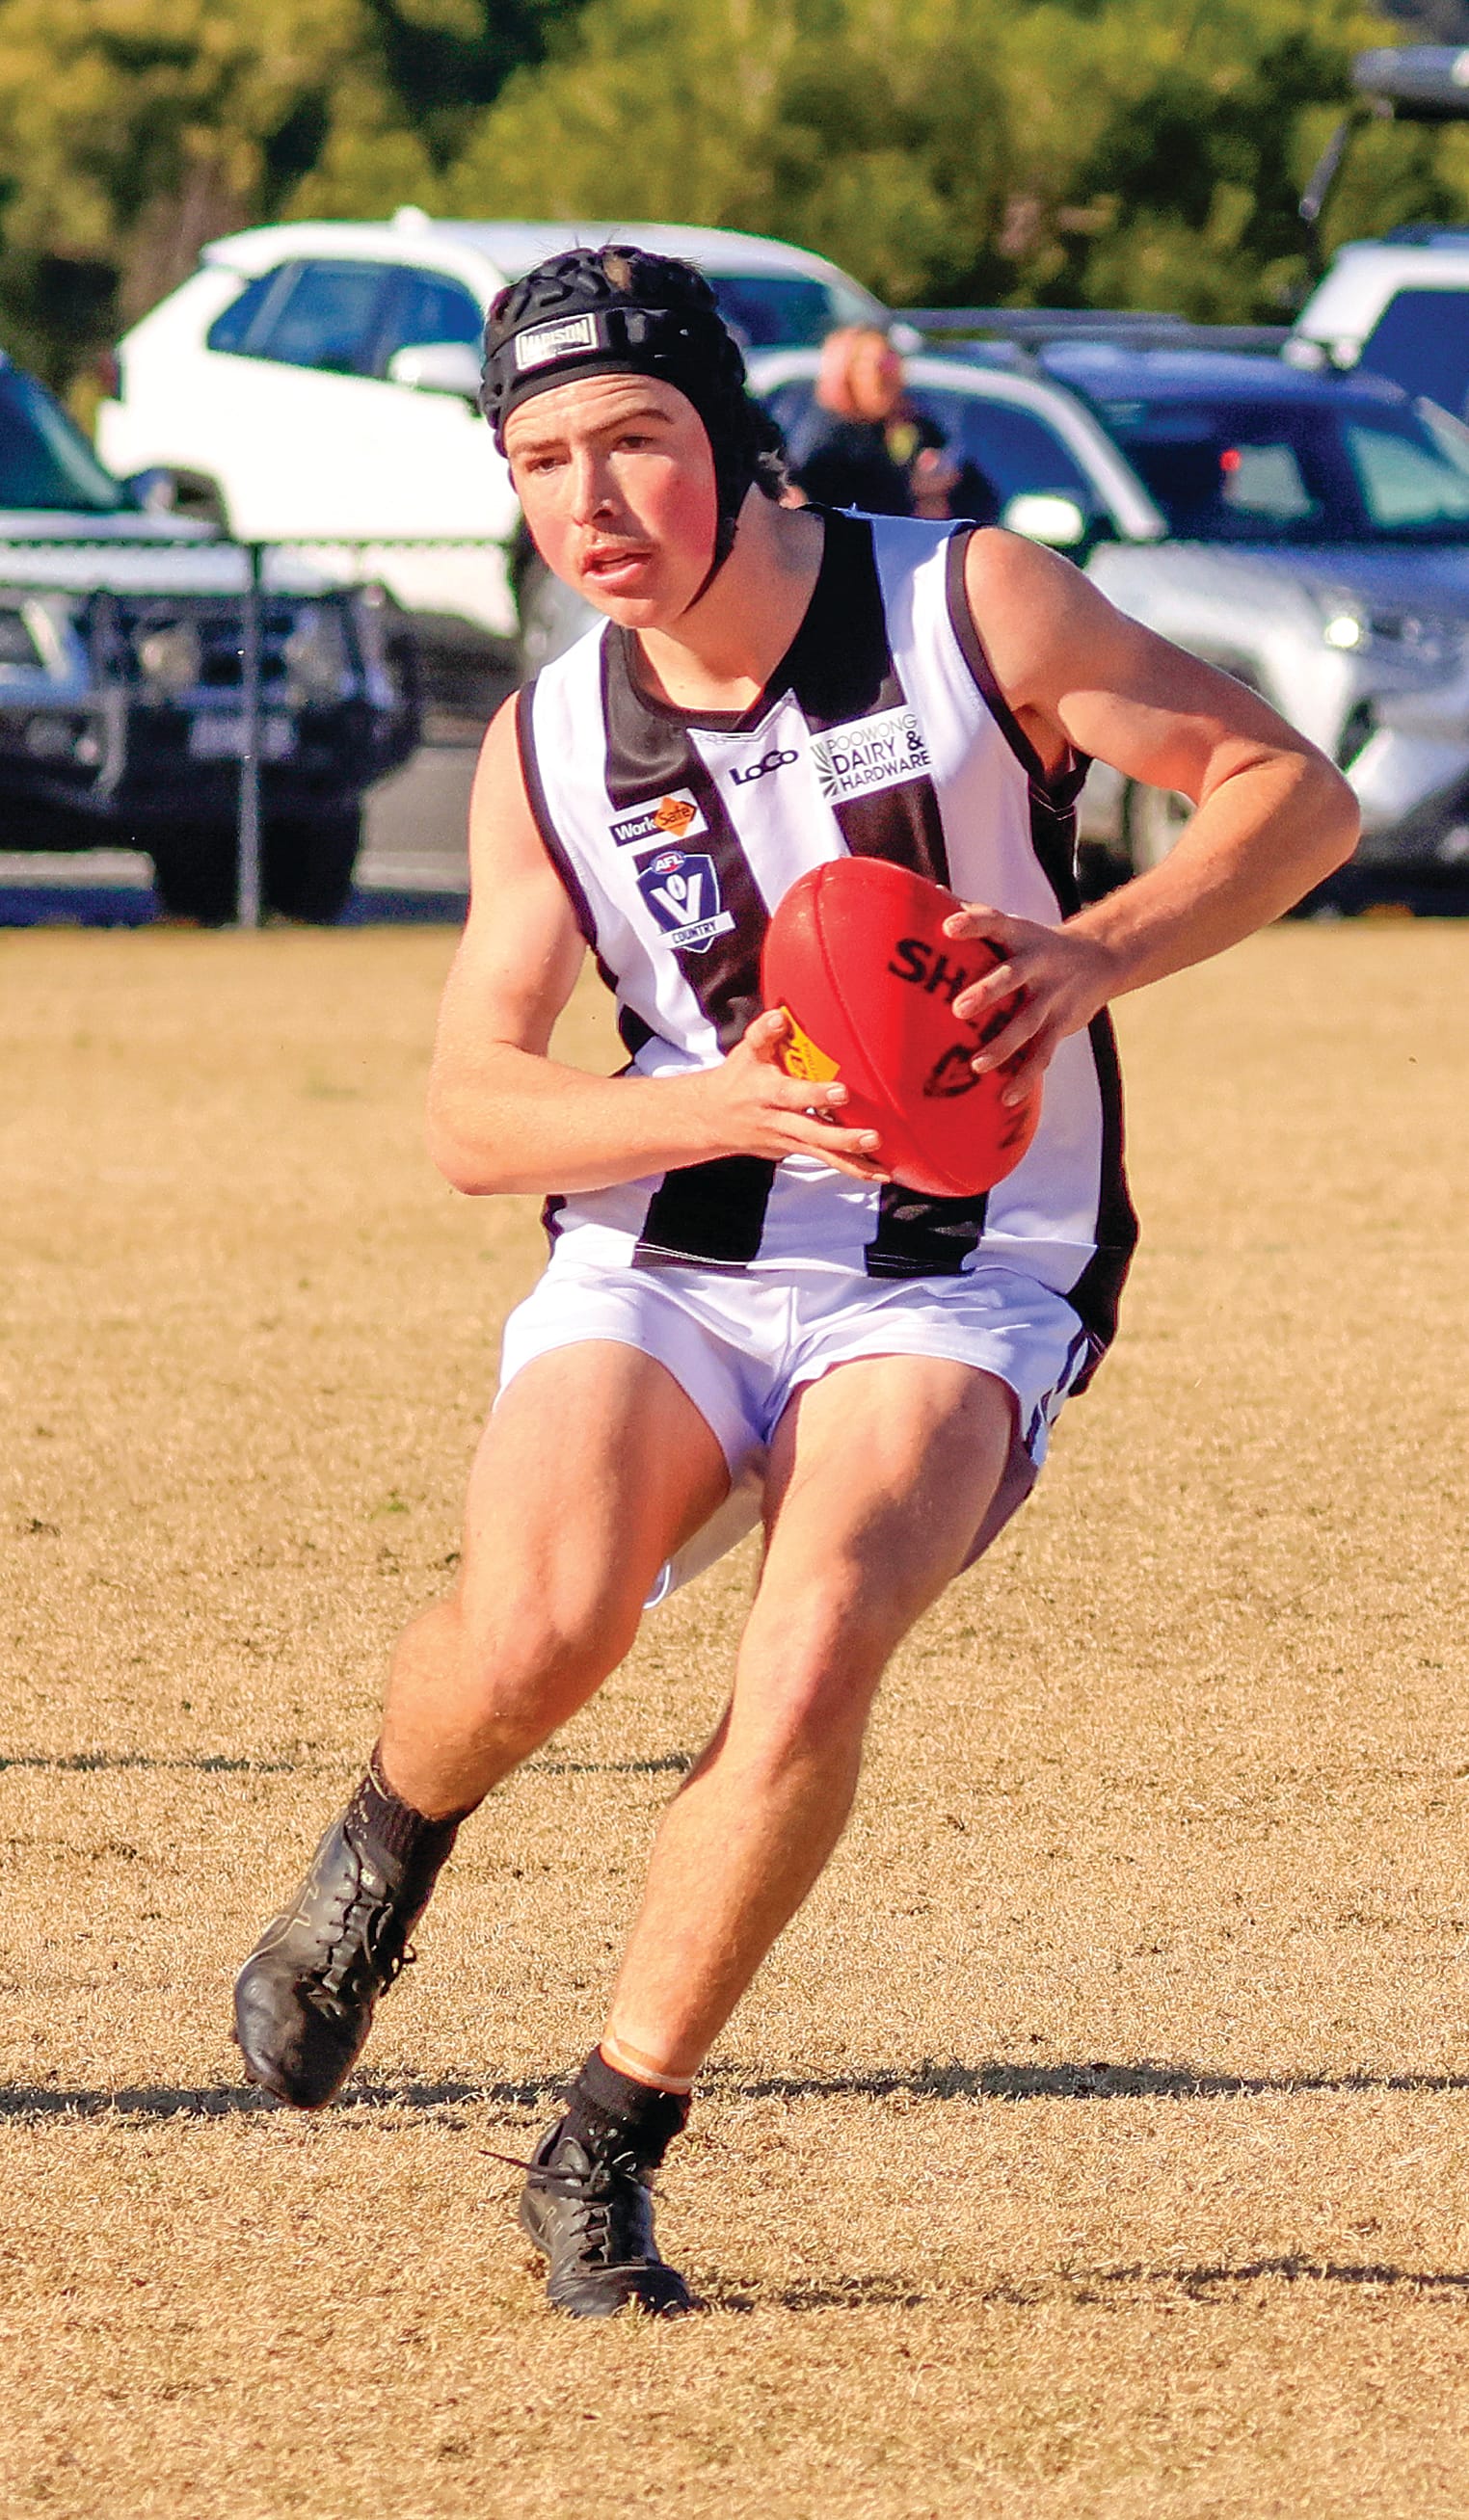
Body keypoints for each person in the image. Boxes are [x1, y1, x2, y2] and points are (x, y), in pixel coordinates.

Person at [232, 245, 1357, 2320]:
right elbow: (477, 1114)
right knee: (541, 1625)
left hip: (969, 1253)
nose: (591, 504)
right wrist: (728, 1106)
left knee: (820, 1630)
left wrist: (1100, 947)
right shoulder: (552, 737)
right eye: (540, 461)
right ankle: (388, 1841)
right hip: (684, 1225)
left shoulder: (968, 602)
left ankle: (602, 2144)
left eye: (634, 444)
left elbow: (1299, 789)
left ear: (732, 441)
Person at [785, 323, 982, 517]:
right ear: (845, 375)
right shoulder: (830, 441)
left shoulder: (916, 426)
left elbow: (979, 495)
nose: (885, 376)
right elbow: (831, 508)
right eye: (871, 367)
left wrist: (947, 480)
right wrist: (912, 488)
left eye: (891, 363)